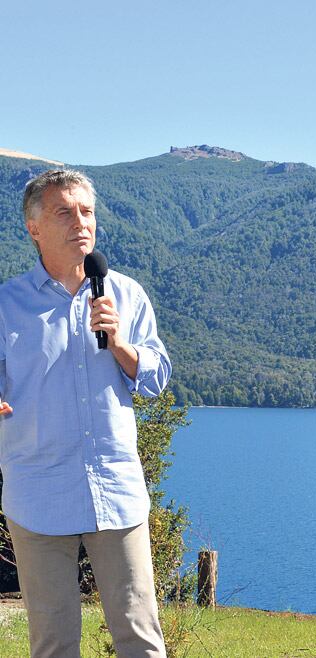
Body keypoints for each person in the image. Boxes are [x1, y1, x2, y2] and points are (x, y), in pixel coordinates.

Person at [0, 169, 172, 658]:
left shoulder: (126, 294)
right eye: (64, 211)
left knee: (140, 639)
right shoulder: (7, 305)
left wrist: (120, 343)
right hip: (38, 492)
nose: (81, 222)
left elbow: (157, 379)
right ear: (34, 228)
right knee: (54, 645)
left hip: (115, 489)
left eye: (87, 211)